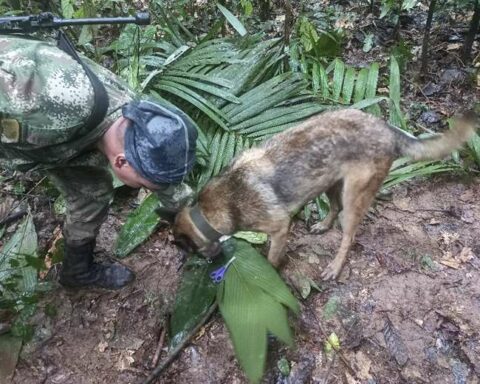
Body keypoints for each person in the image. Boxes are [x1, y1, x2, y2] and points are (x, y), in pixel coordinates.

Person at [0, 34, 198, 290]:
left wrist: (196, 224)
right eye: (143, 185)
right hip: (31, 123)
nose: (144, 188)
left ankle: (77, 272)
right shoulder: (46, 99)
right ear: (121, 161)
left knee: (91, 194)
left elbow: (163, 180)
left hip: (64, 143)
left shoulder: (138, 122)